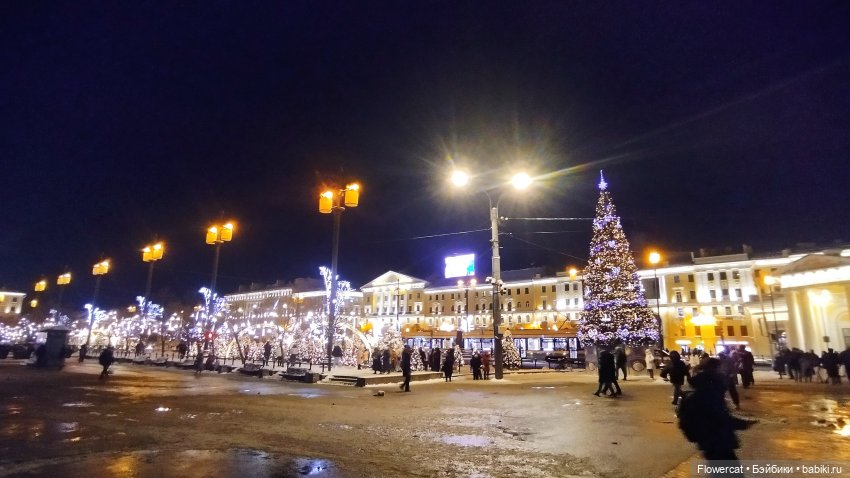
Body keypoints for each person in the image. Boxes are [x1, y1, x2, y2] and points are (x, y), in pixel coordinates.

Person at [678, 358, 753, 471]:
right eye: (720, 369)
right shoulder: (710, 395)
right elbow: (720, 419)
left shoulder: (702, 393)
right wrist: (743, 424)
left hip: (709, 443)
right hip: (717, 442)